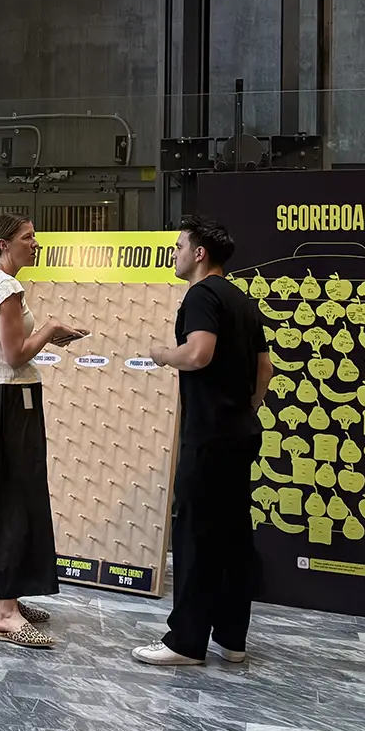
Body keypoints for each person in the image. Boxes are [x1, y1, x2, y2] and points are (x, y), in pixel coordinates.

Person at [134, 214, 271, 668]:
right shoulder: (243, 302)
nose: (174, 254)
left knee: (194, 535)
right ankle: (232, 639)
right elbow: (265, 370)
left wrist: (160, 355)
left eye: (178, 246)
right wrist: (241, 411)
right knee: (233, 536)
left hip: (209, 437)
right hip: (239, 434)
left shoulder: (201, 295)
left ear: (199, 254)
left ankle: (185, 643)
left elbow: (198, 353)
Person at [0, 214, 82, 650]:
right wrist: (51, 330)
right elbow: (15, 356)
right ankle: (8, 612)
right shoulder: (6, 287)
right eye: (27, 237)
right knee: (15, 499)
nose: (35, 243)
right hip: (11, 402)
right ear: (3, 244)